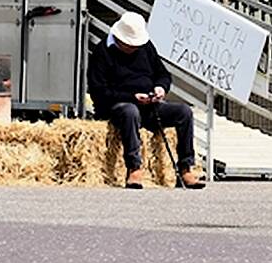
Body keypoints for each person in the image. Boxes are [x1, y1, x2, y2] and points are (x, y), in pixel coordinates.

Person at [87, 11, 206, 189]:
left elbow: (163, 74)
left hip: (149, 105)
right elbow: (99, 92)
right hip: (117, 106)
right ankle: (134, 168)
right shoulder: (102, 51)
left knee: (184, 112)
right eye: (130, 44)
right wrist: (131, 97)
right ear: (120, 39)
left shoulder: (146, 47)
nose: (134, 47)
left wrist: (160, 88)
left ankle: (185, 168)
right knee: (130, 111)